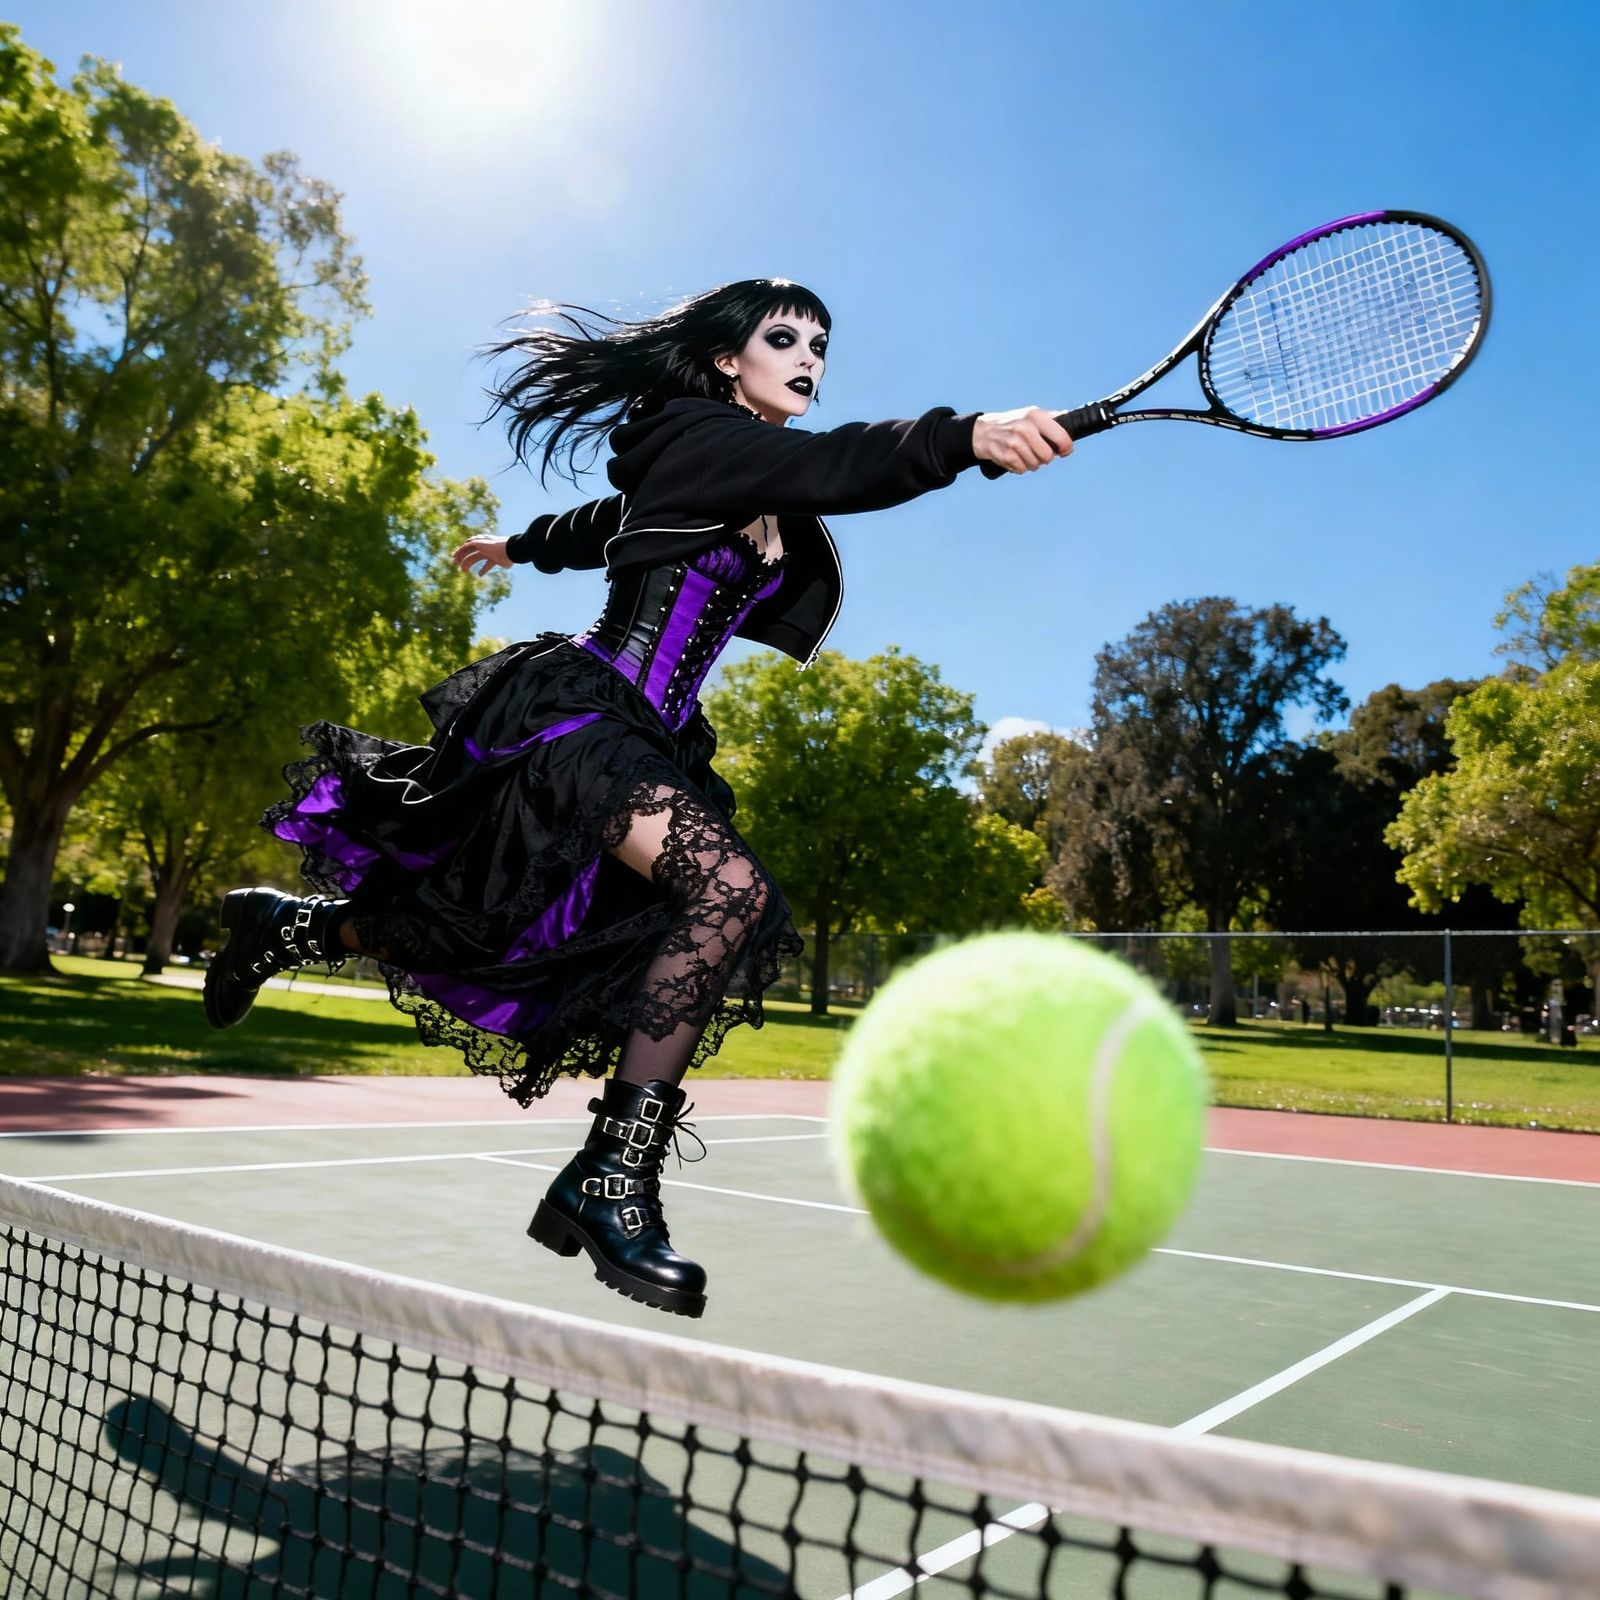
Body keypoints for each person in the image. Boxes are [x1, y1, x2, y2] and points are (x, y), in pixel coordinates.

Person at [202, 279, 1072, 1317]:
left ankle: (292, 927)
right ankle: (610, 1177)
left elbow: (611, 522)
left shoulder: (750, 476)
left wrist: (523, 544)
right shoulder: (697, 435)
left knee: (490, 931)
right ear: (725, 358)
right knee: (729, 892)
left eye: (822, 345)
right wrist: (965, 436)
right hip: (582, 716)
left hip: (653, 739)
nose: (809, 358)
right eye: (785, 338)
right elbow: (847, 462)